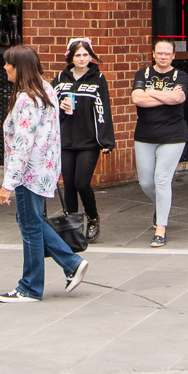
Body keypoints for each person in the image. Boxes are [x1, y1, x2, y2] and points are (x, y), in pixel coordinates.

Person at [0, 43, 88, 303]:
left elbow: (22, 146)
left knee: (31, 227)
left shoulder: (27, 99)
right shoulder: (45, 89)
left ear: (19, 67)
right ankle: (71, 262)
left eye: (8, 64)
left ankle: (30, 287)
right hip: (44, 170)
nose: (5, 67)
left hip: (28, 173)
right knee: (30, 222)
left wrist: (8, 184)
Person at [53, 36, 114, 242]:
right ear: (70, 57)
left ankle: (93, 217)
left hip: (88, 140)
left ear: (91, 56)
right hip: (65, 140)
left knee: (82, 183)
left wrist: (106, 141)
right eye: (77, 55)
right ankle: (72, 225)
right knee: (68, 184)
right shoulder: (61, 78)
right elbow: (49, 108)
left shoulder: (99, 78)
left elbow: (103, 109)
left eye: (85, 55)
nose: (81, 58)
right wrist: (60, 107)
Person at [131, 38, 188, 247]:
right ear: (153, 54)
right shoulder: (143, 74)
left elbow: (178, 99)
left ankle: (160, 228)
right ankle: (161, 206)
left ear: (173, 56)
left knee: (162, 179)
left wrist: (152, 92)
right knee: (146, 182)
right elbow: (137, 99)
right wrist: (166, 96)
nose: (163, 57)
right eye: (160, 53)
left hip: (173, 135)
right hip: (145, 135)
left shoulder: (180, 75)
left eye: (167, 53)